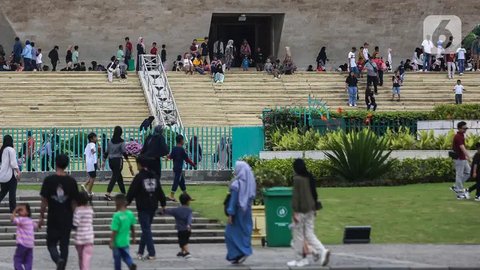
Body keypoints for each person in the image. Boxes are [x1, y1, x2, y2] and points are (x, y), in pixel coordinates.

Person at [39, 154, 80, 270]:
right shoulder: (71, 182)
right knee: (64, 245)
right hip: (67, 218)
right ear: (67, 164)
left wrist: (41, 217)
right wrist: (76, 218)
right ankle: (62, 264)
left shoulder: (49, 180)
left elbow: (44, 201)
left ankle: (58, 260)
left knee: (51, 244)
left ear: (55, 163)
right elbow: (74, 203)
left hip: (53, 217)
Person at [287, 159, 330, 267]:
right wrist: (315, 208)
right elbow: (314, 194)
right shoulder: (310, 177)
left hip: (301, 210)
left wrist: (295, 212)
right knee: (309, 233)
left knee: (298, 235)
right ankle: (322, 250)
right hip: (311, 209)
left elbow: (296, 197)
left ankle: (300, 259)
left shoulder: (297, 179)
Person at [126, 155, 166, 261]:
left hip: (143, 206)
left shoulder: (139, 177)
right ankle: (140, 252)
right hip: (153, 206)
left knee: (146, 229)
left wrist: (126, 203)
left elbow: (132, 191)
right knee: (146, 229)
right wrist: (163, 203)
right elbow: (159, 191)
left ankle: (152, 253)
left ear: (139, 164)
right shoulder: (154, 176)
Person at [225, 161, 255, 264]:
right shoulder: (250, 184)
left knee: (230, 234)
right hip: (246, 212)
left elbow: (233, 201)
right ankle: (243, 252)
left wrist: (230, 213)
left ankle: (238, 254)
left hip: (237, 213)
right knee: (244, 232)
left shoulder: (236, 184)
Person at [103, 126, 133, 201]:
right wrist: (129, 162)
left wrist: (103, 161)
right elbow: (124, 152)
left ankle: (123, 192)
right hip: (118, 161)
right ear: (121, 132)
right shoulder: (122, 141)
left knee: (119, 177)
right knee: (115, 177)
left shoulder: (110, 141)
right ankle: (108, 193)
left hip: (110, 161)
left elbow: (106, 152)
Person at [110, 194, 137, 270]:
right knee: (126, 256)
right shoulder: (130, 214)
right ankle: (131, 264)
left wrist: (111, 241)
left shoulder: (117, 215)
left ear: (117, 203)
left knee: (117, 259)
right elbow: (132, 227)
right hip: (125, 241)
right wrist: (134, 237)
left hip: (117, 243)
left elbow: (114, 230)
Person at [167, 135, 196, 201]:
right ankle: (171, 195)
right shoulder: (181, 149)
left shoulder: (174, 148)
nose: (183, 141)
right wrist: (193, 164)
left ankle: (187, 196)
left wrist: (168, 157)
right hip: (179, 168)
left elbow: (171, 157)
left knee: (182, 182)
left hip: (175, 168)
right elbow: (187, 159)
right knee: (176, 181)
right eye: (183, 140)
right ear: (181, 141)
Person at [164, 193, 193, 258]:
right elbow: (189, 218)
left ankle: (187, 253)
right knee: (185, 240)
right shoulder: (189, 210)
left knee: (182, 242)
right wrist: (189, 224)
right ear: (188, 201)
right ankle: (182, 252)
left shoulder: (177, 210)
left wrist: (162, 211)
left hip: (181, 229)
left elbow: (169, 211)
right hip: (188, 229)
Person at [73, 191, 94, 270]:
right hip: (89, 238)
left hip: (80, 239)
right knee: (86, 259)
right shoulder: (90, 210)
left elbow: (75, 223)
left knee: (81, 258)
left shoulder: (77, 210)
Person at [12, 203, 37, 270]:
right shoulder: (30, 221)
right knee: (28, 261)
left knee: (17, 259)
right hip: (30, 245)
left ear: (27, 212)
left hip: (22, 244)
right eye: (19, 210)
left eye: (21, 210)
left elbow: (13, 220)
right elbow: (36, 226)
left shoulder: (21, 219)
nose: (19, 211)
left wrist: (14, 211)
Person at [450, 121, 471, 199]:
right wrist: (469, 157)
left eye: (466, 128)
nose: (465, 130)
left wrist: (466, 157)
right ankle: (459, 193)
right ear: (459, 128)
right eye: (464, 128)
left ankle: (456, 186)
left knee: (468, 172)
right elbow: (462, 148)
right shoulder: (458, 136)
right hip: (459, 159)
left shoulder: (461, 135)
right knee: (459, 175)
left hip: (462, 158)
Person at [0, 135, 21, 212]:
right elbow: (13, 163)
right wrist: (18, 171)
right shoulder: (11, 150)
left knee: (2, 192)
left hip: (3, 176)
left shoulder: (3, 150)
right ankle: (13, 209)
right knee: (12, 193)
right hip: (11, 176)